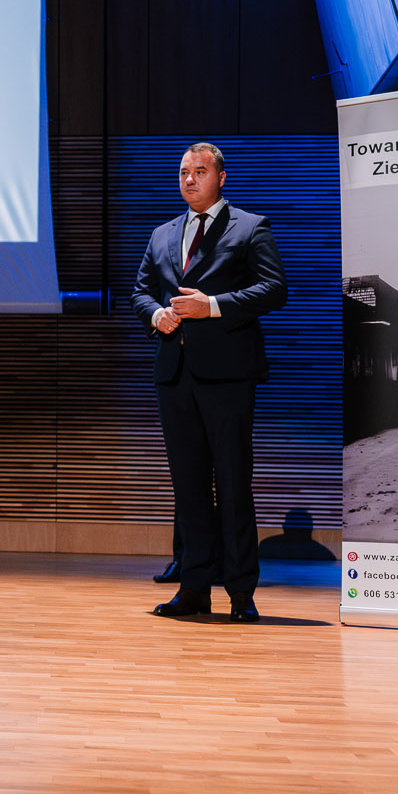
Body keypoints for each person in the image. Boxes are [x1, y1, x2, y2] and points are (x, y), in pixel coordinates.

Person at [131, 142, 286, 621]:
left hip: (228, 375)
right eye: (183, 172)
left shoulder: (250, 226)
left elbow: (274, 289)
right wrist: (156, 314)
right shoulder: (162, 233)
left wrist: (212, 306)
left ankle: (241, 593)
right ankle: (194, 589)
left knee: (233, 484)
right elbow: (140, 291)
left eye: (200, 171)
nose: (189, 179)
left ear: (221, 177)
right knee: (189, 487)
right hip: (174, 374)